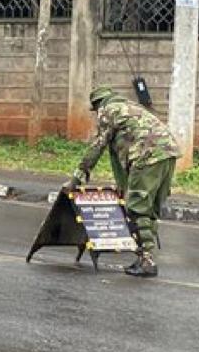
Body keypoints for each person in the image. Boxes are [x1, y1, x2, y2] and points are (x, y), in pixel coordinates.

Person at [65, 86, 180, 278]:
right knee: (149, 208)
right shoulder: (130, 107)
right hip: (168, 153)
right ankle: (145, 256)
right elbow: (117, 151)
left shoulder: (108, 111)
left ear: (97, 104)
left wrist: (76, 178)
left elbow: (98, 146)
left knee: (137, 208)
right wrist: (123, 184)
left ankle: (147, 261)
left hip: (146, 154)